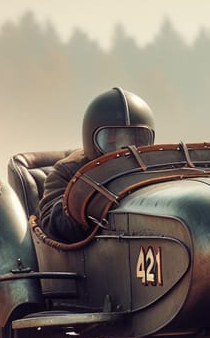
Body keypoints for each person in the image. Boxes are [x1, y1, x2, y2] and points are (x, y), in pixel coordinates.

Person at [38, 87, 155, 242]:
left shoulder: (154, 169)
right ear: (91, 138)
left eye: (136, 139)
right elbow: (55, 229)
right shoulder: (66, 173)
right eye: (111, 139)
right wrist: (89, 195)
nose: (126, 149)